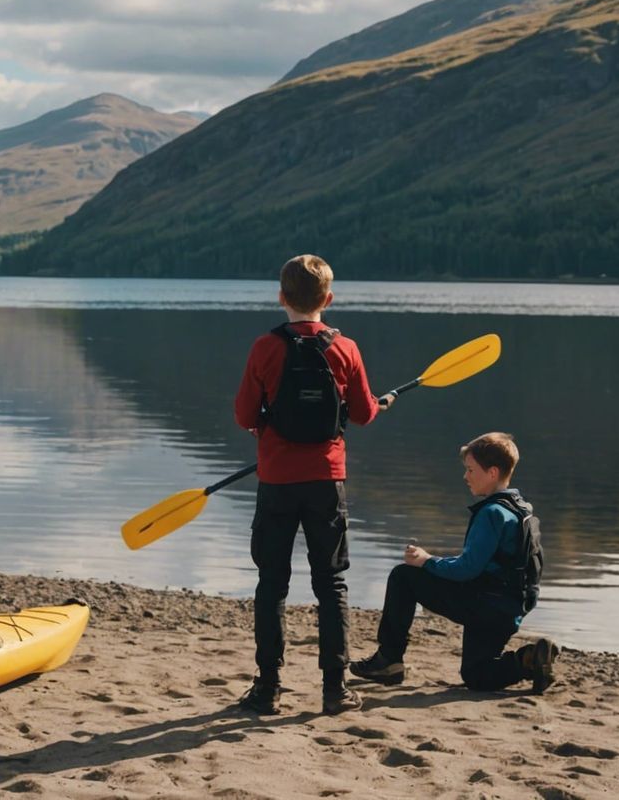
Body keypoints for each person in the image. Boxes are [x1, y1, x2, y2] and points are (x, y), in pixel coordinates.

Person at [234, 254, 389, 715]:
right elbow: (362, 415)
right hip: (326, 482)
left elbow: (244, 416)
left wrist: (265, 425)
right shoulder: (347, 349)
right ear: (329, 299)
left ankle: (267, 689)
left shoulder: (264, 347)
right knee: (331, 584)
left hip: (277, 482)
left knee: (271, 584)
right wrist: (378, 405)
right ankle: (335, 691)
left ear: (281, 298)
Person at [350, 432, 557, 693]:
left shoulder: (492, 513)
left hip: (486, 606)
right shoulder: (521, 508)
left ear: (492, 473)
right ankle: (529, 660)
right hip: (509, 608)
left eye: (471, 470)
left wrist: (427, 561)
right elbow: (481, 564)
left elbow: (466, 569)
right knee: (476, 675)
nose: (465, 476)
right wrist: (434, 561)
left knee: (404, 576)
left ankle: (388, 661)